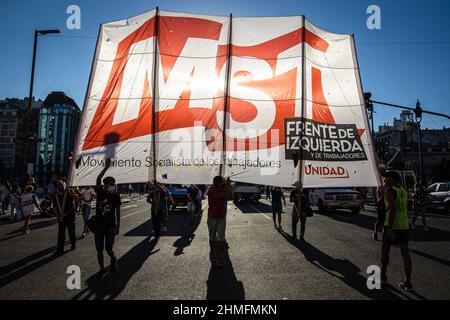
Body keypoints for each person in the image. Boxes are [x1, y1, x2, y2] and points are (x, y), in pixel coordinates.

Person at [380, 171, 413, 291]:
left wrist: (389, 228)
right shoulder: (403, 191)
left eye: (386, 178)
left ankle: (383, 277)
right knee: (405, 254)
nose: (384, 181)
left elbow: (393, 210)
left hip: (392, 226)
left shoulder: (389, 191)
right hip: (404, 226)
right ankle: (407, 282)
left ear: (393, 180)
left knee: (385, 251)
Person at [94, 158, 122, 279]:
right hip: (99, 226)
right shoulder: (100, 192)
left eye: (113, 184)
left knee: (108, 248)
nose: (112, 186)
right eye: (110, 184)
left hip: (110, 226)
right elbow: (98, 179)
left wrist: (118, 226)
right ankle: (101, 269)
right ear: (105, 185)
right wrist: (106, 167)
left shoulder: (116, 196)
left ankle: (113, 258)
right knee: (99, 249)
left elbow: (118, 212)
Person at [207, 176, 234, 268]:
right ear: (218, 183)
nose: (224, 183)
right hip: (212, 217)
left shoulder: (223, 189)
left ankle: (218, 258)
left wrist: (228, 186)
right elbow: (225, 196)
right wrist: (227, 186)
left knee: (221, 238)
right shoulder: (211, 190)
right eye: (222, 182)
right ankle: (213, 252)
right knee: (212, 237)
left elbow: (231, 197)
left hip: (221, 217)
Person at [54, 180, 78, 254]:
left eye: (62, 184)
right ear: (57, 187)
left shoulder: (68, 190)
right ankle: (60, 248)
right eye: (59, 184)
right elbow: (54, 207)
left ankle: (73, 244)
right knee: (61, 232)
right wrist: (57, 216)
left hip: (70, 214)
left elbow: (75, 197)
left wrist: (68, 192)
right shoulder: (55, 195)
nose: (61, 185)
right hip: (61, 216)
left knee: (71, 231)